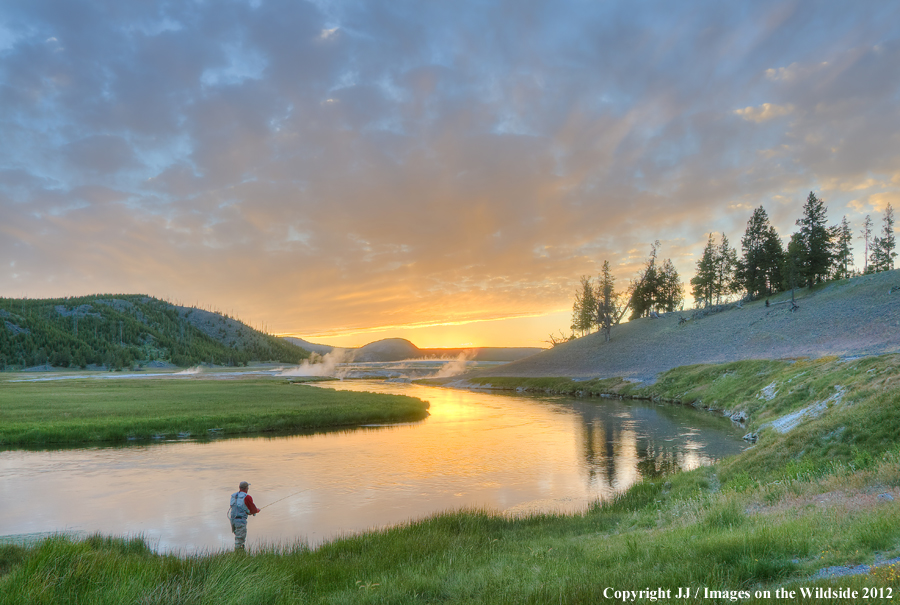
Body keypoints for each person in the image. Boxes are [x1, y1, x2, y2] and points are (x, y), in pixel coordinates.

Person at [229, 480, 260, 551]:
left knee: (238, 537)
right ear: (246, 488)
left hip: (233, 520)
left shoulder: (234, 496)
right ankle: (239, 555)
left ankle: (238, 553)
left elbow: (237, 507)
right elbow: (252, 510)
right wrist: (257, 510)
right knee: (240, 540)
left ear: (239, 488)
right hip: (240, 521)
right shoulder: (247, 497)